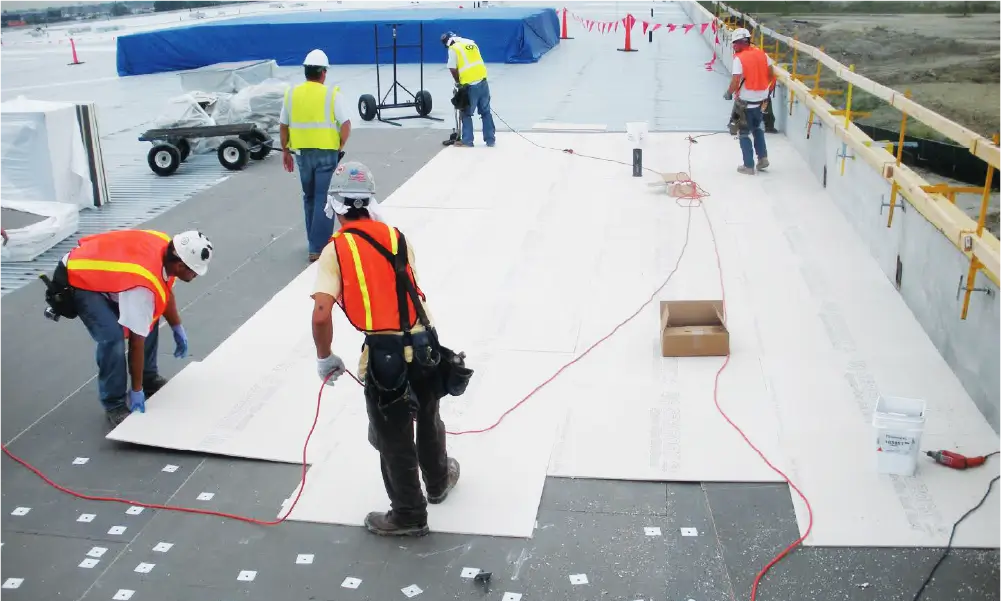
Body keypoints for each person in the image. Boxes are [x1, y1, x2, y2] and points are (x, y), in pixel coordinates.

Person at [310, 161, 463, 537]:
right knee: (428, 416)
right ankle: (439, 480)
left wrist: (325, 357)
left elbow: (320, 314)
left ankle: (409, 513)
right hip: (425, 343)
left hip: (385, 353)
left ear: (336, 205)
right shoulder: (397, 236)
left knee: (393, 433)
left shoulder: (336, 250)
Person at [58, 229, 213, 427]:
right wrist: (136, 390)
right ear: (180, 265)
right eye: (194, 271)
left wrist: (176, 326)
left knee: (149, 313)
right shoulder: (142, 287)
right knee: (111, 337)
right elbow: (136, 341)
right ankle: (114, 403)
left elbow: (163, 294)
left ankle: (149, 378)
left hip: (106, 269)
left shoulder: (169, 250)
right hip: (81, 277)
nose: (196, 276)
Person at [280, 48, 352, 263]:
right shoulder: (331, 94)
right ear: (323, 73)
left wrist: (285, 151)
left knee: (309, 197)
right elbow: (346, 124)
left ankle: (313, 242)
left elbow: (283, 126)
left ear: (306, 71)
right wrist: (339, 146)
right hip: (327, 153)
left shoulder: (291, 94)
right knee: (323, 198)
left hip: (302, 154)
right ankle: (318, 247)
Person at [724, 28, 775, 175]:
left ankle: (748, 166)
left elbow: (735, 81)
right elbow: (771, 73)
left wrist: (728, 93)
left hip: (745, 102)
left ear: (741, 43)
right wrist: (764, 88)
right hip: (761, 101)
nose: (734, 46)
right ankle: (763, 158)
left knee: (744, 133)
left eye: (735, 44)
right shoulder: (762, 54)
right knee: (758, 128)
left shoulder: (739, 59)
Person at [441, 32, 496, 148]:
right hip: (483, 81)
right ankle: (490, 140)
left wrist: (458, 82)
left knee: (465, 112)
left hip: (470, 85)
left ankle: (467, 140)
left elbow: (452, 68)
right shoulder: (471, 43)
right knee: (486, 112)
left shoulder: (453, 48)